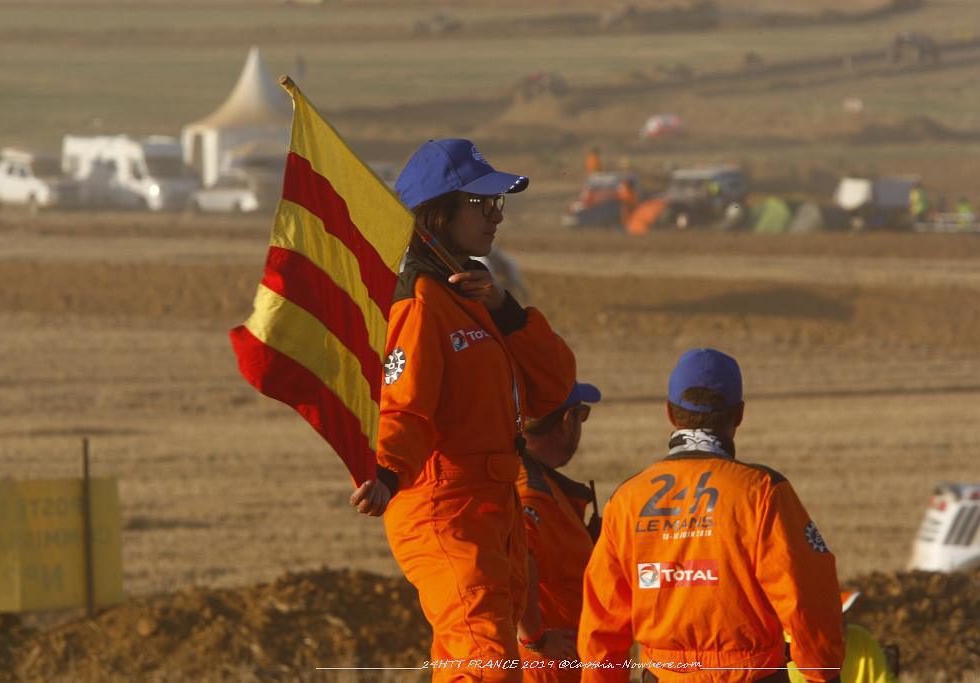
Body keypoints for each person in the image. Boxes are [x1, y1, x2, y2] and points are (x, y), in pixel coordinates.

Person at [350, 138, 576, 681]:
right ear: (437, 214)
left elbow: (553, 387)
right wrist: (387, 470)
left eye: (497, 202)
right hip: (445, 510)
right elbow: (402, 405)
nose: (496, 215)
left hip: (491, 508)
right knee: (485, 667)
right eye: (481, 203)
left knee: (472, 664)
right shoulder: (418, 301)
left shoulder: (471, 297)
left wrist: (505, 309)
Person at [578, 348, 845, 683]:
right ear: (739, 415)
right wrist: (824, 673)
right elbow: (806, 596)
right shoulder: (762, 491)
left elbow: (602, 618)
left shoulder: (627, 499)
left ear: (670, 414)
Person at [516, 381, 603, 681]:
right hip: (548, 670)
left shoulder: (538, 481)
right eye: (582, 414)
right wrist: (535, 639)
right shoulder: (532, 493)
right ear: (567, 421)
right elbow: (516, 562)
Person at [788, 592, 895, 683]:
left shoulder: (860, 638)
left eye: (843, 614)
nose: (842, 622)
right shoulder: (790, 648)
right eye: (834, 617)